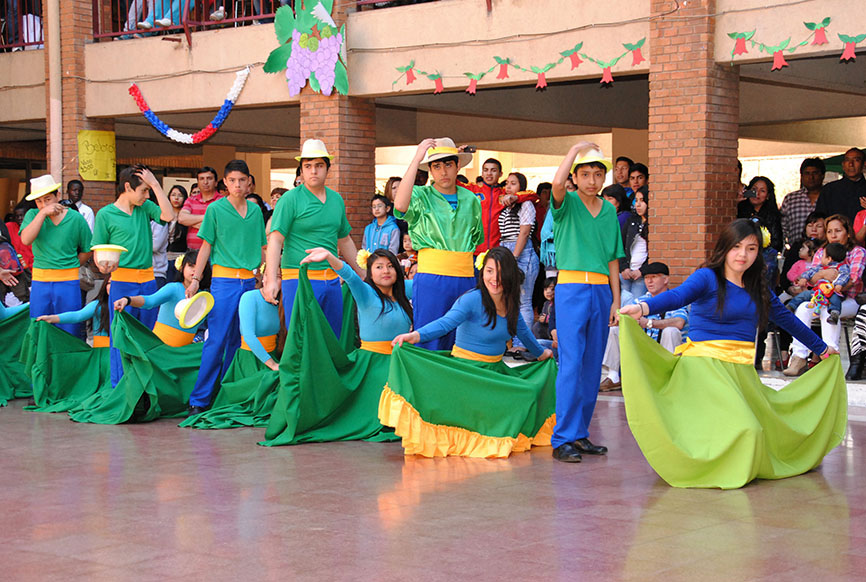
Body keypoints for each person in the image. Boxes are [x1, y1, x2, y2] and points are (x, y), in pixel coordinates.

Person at [618, 219, 845, 489]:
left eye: (751, 248)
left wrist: (821, 348)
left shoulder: (757, 285)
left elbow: (786, 318)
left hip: (740, 371)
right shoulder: (707, 277)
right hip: (704, 368)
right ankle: (719, 472)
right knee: (748, 429)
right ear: (725, 247)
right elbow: (678, 296)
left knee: (767, 428)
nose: (743, 255)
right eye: (736, 247)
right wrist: (643, 308)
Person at [384, 247, 555, 458]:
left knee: (528, 392)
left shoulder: (511, 303)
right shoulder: (472, 299)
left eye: (501, 273)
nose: (495, 279)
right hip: (466, 371)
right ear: (482, 273)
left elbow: (525, 334)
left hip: (494, 371)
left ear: (511, 275)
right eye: (490, 271)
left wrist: (541, 354)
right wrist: (415, 336)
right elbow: (445, 323)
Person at [260, 247, 411, 444]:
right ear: (370, 273)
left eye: (390, 266)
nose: (386, 271)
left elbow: (426, 284)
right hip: (373, 366)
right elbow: (350, 276)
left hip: (401, 363)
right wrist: (330, 257)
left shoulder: (404, 292)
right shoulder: (366, 293)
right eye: (379, 267)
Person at [549, 143, 624, 463]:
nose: (592, 181)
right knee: (571, 363)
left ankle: (579, 434)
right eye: (585, 174)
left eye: (598, 174)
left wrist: (616, 300)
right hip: (571, 289)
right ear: (575, 177)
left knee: (593, 365)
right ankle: (562, 438)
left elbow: (613, 259)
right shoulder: (566, 203)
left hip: (601, 291)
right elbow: (556, 184)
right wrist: (574, 150)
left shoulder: (608, 211)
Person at [185, 159, 267, 415]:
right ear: (225, 182)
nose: (237, 185)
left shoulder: (255, 211)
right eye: (232, 180)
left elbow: (263, 247)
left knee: (238, 340)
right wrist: (196, 280)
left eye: (242, 180)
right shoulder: (215, 209)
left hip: (250, 283)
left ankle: (226, 395)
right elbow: (205, 246)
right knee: (217, 339)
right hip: (223, 282)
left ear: (249, 182)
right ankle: (199, 399)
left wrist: (266, 276)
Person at [263, 139, 362, 337]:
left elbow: (344, 239)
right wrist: (271, 279)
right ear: (301, 170)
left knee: (331, 339)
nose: (313, 171)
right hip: (298, 279)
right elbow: (275, 240)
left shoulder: (336, 199)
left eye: (319, 165)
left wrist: (362, 272)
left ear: (327, 168)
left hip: (331, 279)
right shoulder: (289, 199)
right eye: (308, 166)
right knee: (302, 340)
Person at [392, 138, 483, 350]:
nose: (443, 172)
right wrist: (417, 158)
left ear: (458, 166)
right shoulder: (420, 195)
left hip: (466, 278)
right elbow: (400, 205)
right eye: (437, 166)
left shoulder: (472, 199)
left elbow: (477, 239)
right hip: (432, 278)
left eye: (448, 164)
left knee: (464, 340)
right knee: (429, 338)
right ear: (430, 170)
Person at [92, 165, 175, 387]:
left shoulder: (145, 207)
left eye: (149, 190)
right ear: (128, 187)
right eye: (143, 190)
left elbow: (168, 215)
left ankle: (147, 388)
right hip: (121, 282)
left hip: (148, 281)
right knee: (121, 337)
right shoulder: (105, 214)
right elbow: (98, 253)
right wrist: (104, 267)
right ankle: (120, 388)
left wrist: (155, 184)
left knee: (147, 335)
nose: (147, 195)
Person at [785, 214, 866, 376]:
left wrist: (832, 282)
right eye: (829, 231)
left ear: (848, 233)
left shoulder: (857, 252)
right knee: (803, 308)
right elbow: (811, 279)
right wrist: (824, 275)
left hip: (848, 299)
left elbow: (853, 279)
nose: (833, 235)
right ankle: (799, 357)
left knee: (828, 311)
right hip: (820, 296)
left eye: (838, 231)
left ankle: (830, 359)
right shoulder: (822, 252)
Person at [20, 174, 92, 337]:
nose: (43, 204)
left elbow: (88, 249)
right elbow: (25, 239)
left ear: (58, 195)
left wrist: (72, 265)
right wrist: (42, 214)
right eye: (39, 201)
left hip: (68, 281)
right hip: (40, 281)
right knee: (38, 326)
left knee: (69, 328)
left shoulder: (75, 218)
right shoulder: (32, 215)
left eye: (47, 199)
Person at [601, 262, 688, 391]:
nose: (649, 281)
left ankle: (667, 376)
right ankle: (614, 376)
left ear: (666, 279)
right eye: (646, 278)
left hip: (666, 351)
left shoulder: (675, 299)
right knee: (615, 330)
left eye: (654, 277)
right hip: (645, 349)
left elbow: (679, 322)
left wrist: (649, 323)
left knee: (671, 331)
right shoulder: (639, 301)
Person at [114, 249, 212, 347]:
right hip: (160, 347)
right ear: (182, 268)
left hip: (185, 350)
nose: (195, 270)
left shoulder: (204, 297)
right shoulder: (173, 288)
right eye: (191, 266)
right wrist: (127, 300)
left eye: (199, 267)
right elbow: (150, 301)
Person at [498, 172, 539, 358]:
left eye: (513, 183)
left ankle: (522, 344)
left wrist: (514, 256)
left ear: (521, 186)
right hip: (506, 248)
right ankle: (511, 341)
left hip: (522, 252)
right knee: (509, 299)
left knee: (524, 301)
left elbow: (524, 232)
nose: (508, 186)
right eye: (507, 183)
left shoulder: (526, 204)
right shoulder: (507, 205)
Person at [462, 158, 538, 255]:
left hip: (497, 251)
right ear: (482, 173)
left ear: (500, 174)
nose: (489, 173)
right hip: (473, 249)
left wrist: (516, 197)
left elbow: (533, 195)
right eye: (486, 170)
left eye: (493, 170)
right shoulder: (472, 190)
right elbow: (452, 183)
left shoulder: (505, 193)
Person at [784, 242, 849, 322]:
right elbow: (810, 272)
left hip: (832, 291)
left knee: (835, 300)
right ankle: (791, 306)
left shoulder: (842, 267)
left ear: (829, 259)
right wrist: (804, 278)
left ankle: (834, 313)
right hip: (818, 292)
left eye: (823, 256)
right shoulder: (821, 267)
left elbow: (845, 275)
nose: (821, 258)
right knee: (804, 294)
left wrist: (839, 284)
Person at [737, 176, 784, 281]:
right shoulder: (739, 210)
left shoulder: (773, 215)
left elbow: (777, 243)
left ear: (768, 195)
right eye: (754, 190)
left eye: (762, 191)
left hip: (764, 258)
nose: (757, 194)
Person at [780, 158, 825, 246]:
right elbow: (783, 228)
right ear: (801, 176)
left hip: (825, 250)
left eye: (815, 173)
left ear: (822, 175)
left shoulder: (830, 196)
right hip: (797, 249)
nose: (811, 177)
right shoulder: (791, 199)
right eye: (807, 173)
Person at [815, 147, 866, 223]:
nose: (851, 164)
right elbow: (820, 219)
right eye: (847, 160)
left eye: (856, 160)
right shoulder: (829, 190)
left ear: (864, 164)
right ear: (843, 165)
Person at [178, 166, 222, 251]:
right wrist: (208, 218)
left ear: (216, 182)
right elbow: (181, 218)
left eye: (209, 178)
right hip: (192, 251)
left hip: (215, 251)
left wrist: (191, 222)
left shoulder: (222, 201)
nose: (205, 182)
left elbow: (219, 226)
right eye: (201, 179)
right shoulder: (191, 200)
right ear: (198, 183)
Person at [619, 186, 649, 299]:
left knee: (636, 304)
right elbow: (621, 245)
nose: (638, 204)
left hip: (641, 274)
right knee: (624, 304)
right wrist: (623, 268)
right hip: (626, 272)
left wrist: (642, 270)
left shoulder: (654, 223)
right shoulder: (631, 221)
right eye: (636, 200)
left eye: (642, 200)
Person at [165, 185, 189, 283]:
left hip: (180, 258)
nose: (176, 198)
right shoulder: (163, 215)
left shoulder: (186, 217)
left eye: (180, 195)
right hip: (164, 259)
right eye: (173, 195)